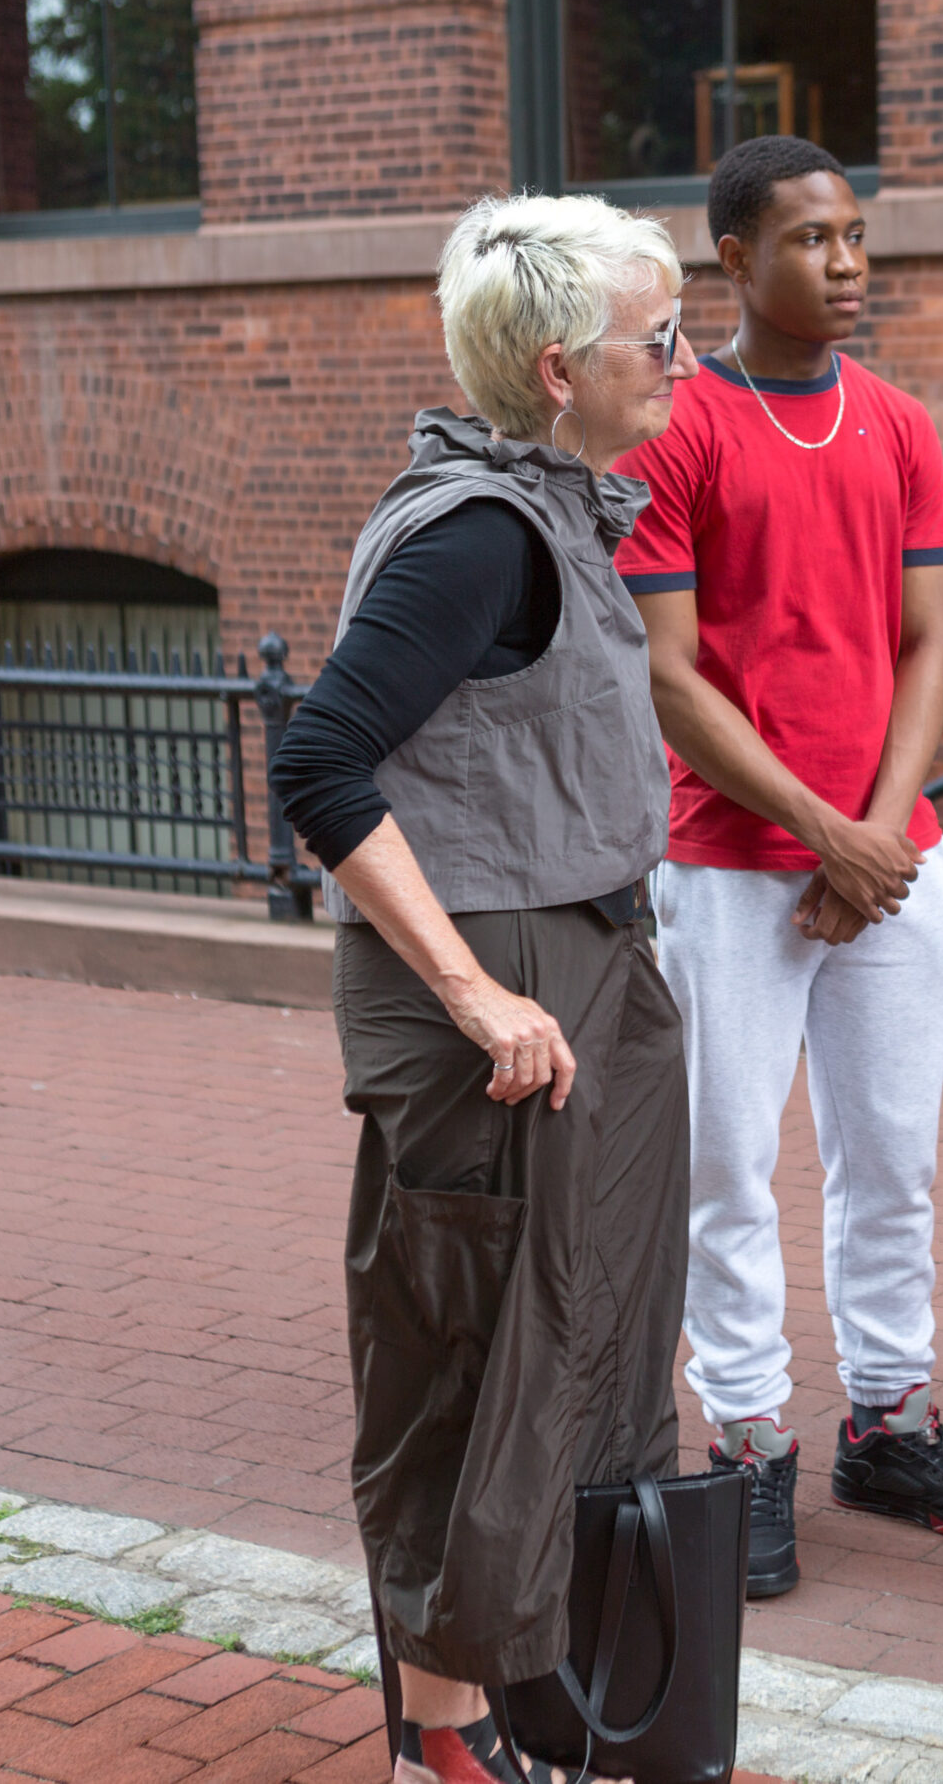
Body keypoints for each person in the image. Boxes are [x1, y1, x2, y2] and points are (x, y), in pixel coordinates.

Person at [269, 193, 699, 1784]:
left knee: (562, 1342)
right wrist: (474, 994)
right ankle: (440, 1743)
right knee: (491, 1352)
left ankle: (486, 1716)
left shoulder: (551, 506)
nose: (682, 359)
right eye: (657, 337)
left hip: (570, 958)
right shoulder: (479, 531)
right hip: (505, 983)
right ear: (551, 364)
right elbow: (320, 759)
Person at [614, 135, 943, 1601]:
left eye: (856, 235)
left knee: (891, 1160)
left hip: (892, 865)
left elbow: (925, 642)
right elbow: (670, 678)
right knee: (727, 1163)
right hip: (730, 868)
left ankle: (888, 1420)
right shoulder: (672, 434)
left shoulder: (899, 424)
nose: (846, 263)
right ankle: (744, 1441)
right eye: (812, 240)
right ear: (732, 260)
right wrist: (823, 831)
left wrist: (878, 836)